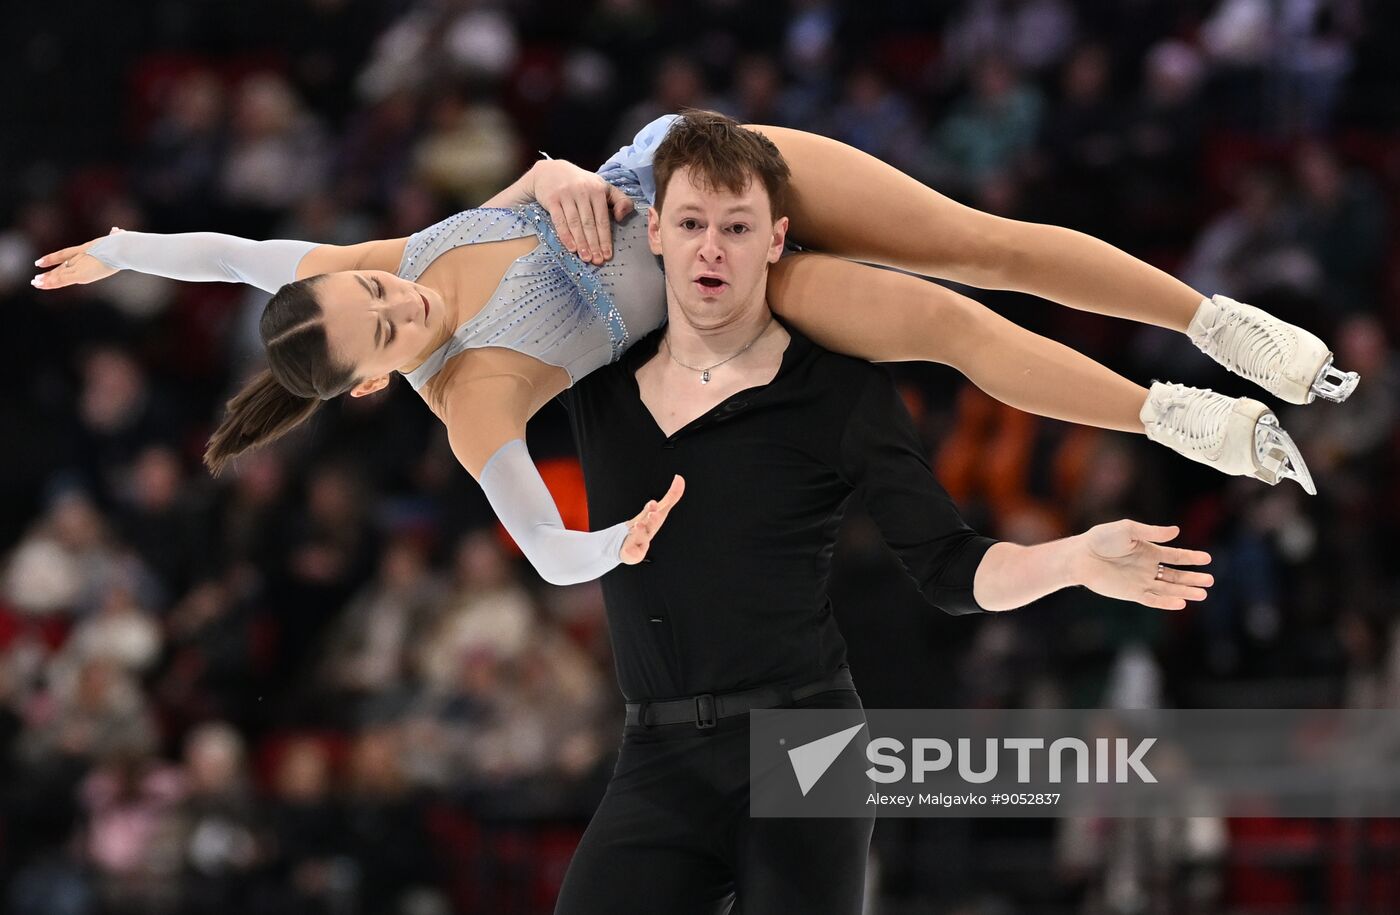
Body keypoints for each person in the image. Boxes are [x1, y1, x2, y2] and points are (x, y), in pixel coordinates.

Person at [34, 111, 1345, 585]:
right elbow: (543, 544)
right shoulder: (470, 399)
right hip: (712, 279)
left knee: (974, 244)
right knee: (943, 327)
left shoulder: (359, 265)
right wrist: (615, 541)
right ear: (376, 377)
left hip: (684, 170)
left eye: (380, 286)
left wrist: (124, 245)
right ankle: (1177, 413)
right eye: (388, 329)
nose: (403, 302)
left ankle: (1215, 321)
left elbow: (237, 253)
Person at [549, 113, 1213, 914]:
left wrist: (1071, 559)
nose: (711, 249)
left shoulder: (837, 392)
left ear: (777, 239)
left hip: (805, 743)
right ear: (654, 231)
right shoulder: (597, 378)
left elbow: (951, 567)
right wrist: (540, 179)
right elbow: (445, 307)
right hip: (656, 750)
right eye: (691, 224)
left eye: (737, 227)